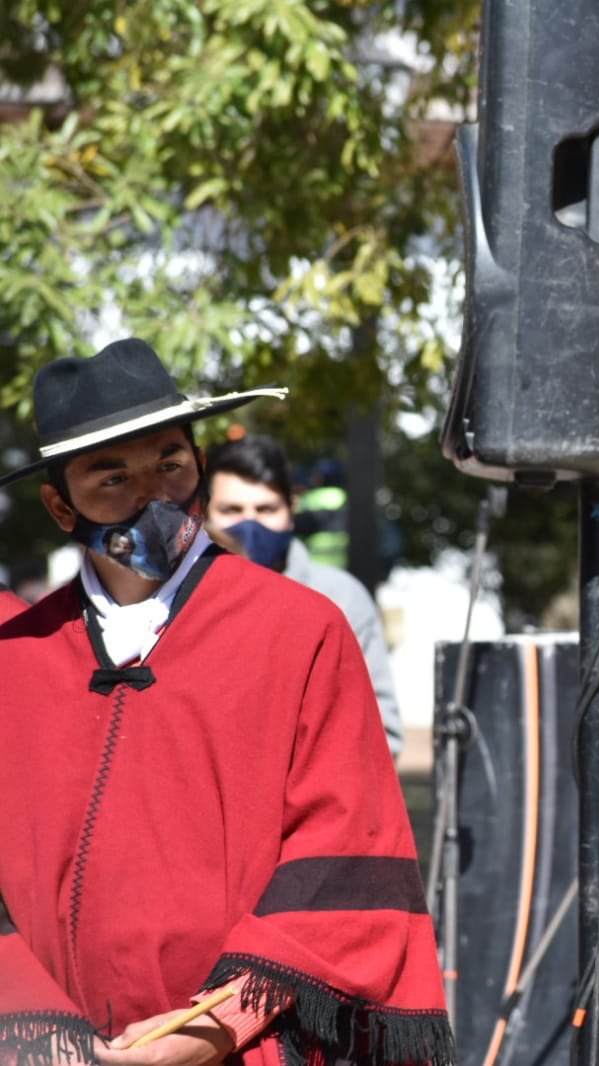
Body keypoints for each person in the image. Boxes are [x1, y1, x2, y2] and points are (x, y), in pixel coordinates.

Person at [0, 339, 451, 1066]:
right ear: (60, 506)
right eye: (111, 478)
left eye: (171, 466)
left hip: (245, 1043)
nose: (152, 498)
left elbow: (344, 852)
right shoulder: (13, 655)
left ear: (200, 468)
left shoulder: (300, 630)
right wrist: (35, 1033)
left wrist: (207, 1032)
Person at [204, 436, 405, 762]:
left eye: (266, 509)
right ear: (204, 514)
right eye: (232, 510)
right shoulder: (174, 601)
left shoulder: (341, 600)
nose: (250, 525)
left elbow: (381, 732)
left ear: (291, 509)